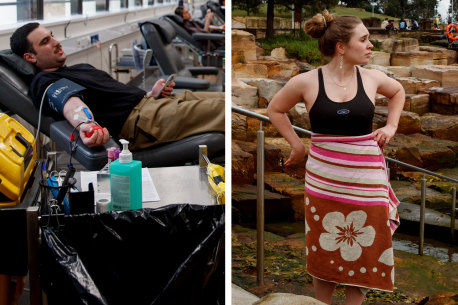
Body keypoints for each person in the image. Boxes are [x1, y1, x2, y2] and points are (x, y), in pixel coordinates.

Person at [267, 10, 405, 304]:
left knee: (365, 247)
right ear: (341, 46)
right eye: (364, 39)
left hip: (367, 182)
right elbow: (275, 110)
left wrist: (391, 126)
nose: (371, 45)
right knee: (324, 246)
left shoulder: (372, 78)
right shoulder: (306, 81)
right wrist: (297, 146)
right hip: (324, 181)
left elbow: (398, 92)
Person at [10, 23, 224, 151]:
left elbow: (115, 97)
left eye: (52, 35)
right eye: (45, 41)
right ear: (30, 57)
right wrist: (87, 125)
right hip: (144, 123)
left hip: (153, 104)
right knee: (229, 111)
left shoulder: (76, 69)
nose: (56, 42)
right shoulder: (43, 82)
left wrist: (152, 93)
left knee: (231, 99)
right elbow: (70, 104)